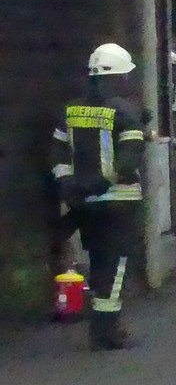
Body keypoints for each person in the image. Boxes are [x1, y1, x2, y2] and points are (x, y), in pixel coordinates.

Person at [50, 43, 146, 351]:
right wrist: (103, 182)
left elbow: (59, 152)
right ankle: (107, 331)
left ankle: (101, 327)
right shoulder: (126, 112)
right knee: (114, 266)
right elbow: (129, 161)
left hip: (83, 203)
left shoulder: (70, 110)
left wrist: (68, 184)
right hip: (118, 202)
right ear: (118, 76)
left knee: (96, 262)